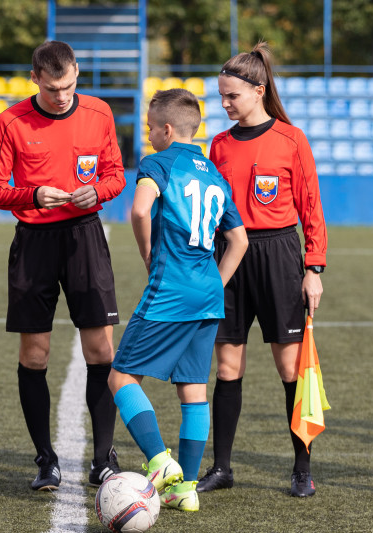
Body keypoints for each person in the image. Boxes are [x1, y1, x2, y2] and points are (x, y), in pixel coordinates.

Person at [0, 40, 126, 490]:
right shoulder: (10, 121)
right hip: (34, 242)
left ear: (77, 73)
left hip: (85, 237)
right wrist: (32, 194)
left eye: (68, 86)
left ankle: (103, 457)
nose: (61, 95)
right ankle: (45, 459)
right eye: (52, 88)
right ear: (35, 79)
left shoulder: (100, 114)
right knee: (35, 354)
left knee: (101, 350)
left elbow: (116, 175)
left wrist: (98, 192)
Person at [196, 42, 328, 498]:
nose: (225, 104)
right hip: (230, 257)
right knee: (227, 365)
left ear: (258, 89)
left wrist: (314, 268)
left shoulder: (292, 139)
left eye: (232, 96)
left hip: (278, 256)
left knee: (289, 367)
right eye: (221, 97)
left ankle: (300, 468)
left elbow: (311, 207)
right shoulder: (219, 144)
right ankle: (222, 468)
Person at [108, 89, 248, 513]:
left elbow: (138, 211)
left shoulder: (157, 162)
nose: (149, 135)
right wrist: (216, 283)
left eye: (151, 128)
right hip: (207, 293)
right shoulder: (215, 175)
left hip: (170, 289)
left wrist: (147, 254)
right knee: (193, 390)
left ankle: (158, 460)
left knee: (121, 378)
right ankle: (184, 489)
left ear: (167, 130)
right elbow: (238, 240)